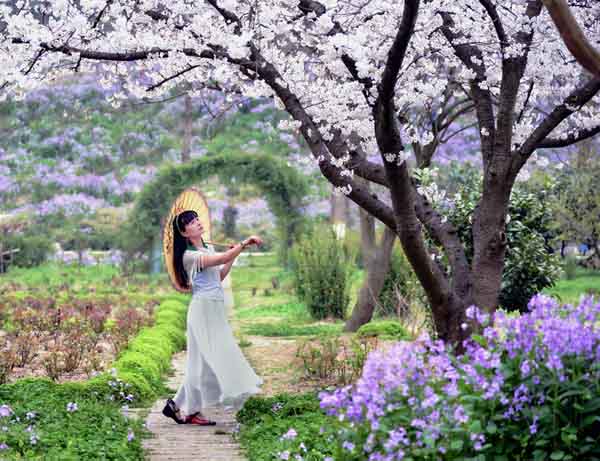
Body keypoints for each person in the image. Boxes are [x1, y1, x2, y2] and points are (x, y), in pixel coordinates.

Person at [162, 209, 263, 425]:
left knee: (202, 364)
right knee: (205, 361)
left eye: (198, 219)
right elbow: (224, 256)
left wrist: (233, 257)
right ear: (184, 232)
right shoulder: (190, 256)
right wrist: (242, 245)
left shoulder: (206, 249)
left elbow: (219, 276)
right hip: (203, 311)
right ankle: (190, 411)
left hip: (214, 309)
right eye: (191, 222)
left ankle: (177, 406)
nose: (197, 223)